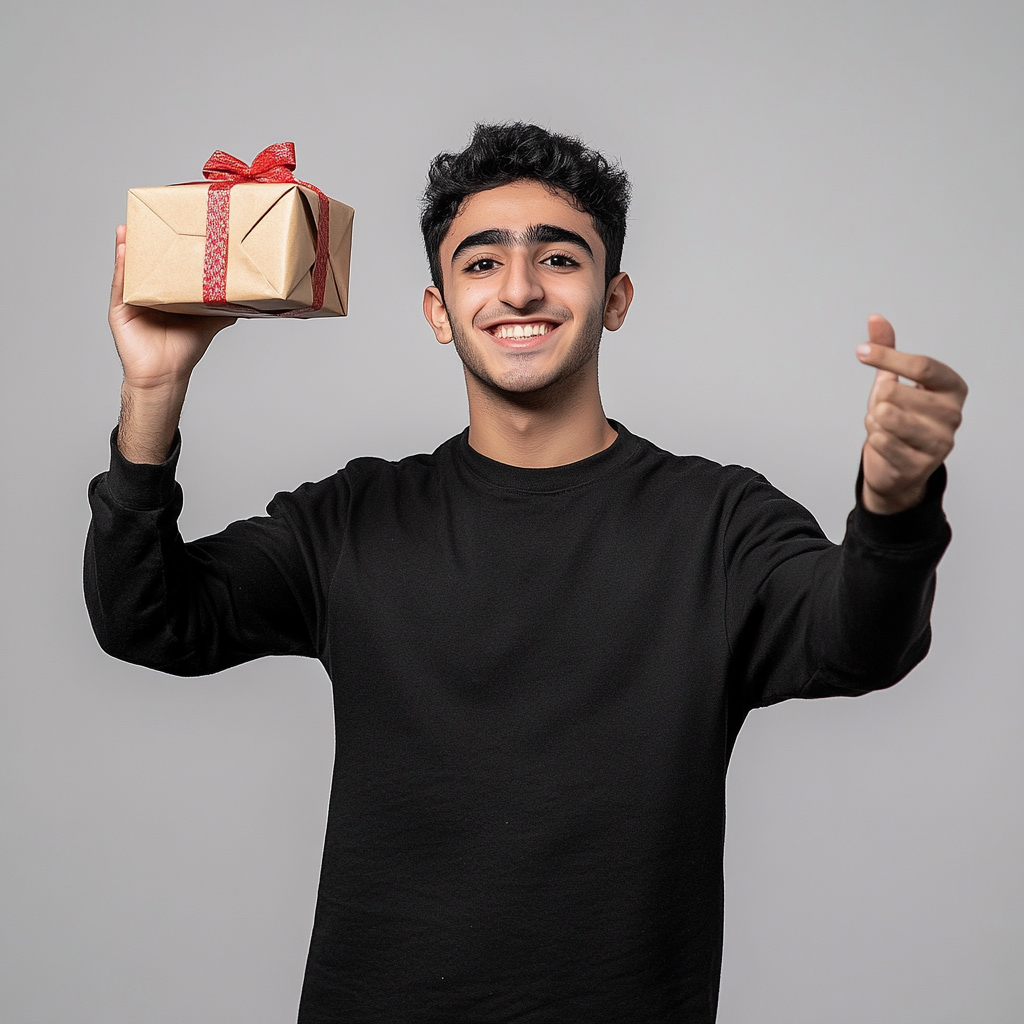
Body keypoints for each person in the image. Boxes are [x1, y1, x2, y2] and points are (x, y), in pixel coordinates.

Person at [85, 123, 967, 1023]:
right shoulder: (352, 519)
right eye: (479, 263)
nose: (518, 288)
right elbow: (150, 620)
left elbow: (860, 642)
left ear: (614, 297)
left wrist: (895, 506)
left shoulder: (718, 524)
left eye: (558, 257)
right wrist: (151, 395)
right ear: (438, 311)